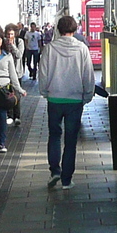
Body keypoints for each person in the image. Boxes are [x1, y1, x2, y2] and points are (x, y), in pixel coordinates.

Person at [42, 15, 93, 190]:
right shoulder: (82, 49)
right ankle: (66, 179)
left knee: (54, 135)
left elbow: (43, 73)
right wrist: (87, 95)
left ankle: (55, 170)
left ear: (58, 29)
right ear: (75, 29)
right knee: (71, 140)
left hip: (55, 98)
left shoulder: (50, 48)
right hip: (74, 100)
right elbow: (88, 74)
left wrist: (44, 92)